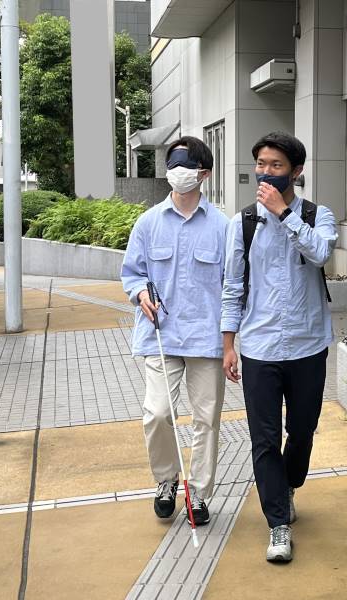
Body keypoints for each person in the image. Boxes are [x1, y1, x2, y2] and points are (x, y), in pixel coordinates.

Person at [221, 131, 338, 563]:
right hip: (260, 346)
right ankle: (277, 524)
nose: (266, 172)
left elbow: (320, 253)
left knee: (302, 430)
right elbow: (232, 286)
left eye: (276, 165)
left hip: (308, 344)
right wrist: (228, 344)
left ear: (296, 171)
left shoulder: (317, 215)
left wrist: (284, 213)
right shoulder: (243, 222)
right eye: (261, 164)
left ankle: (289, 485)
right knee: (264, 439)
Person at [121, 136, 229, 527]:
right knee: (157, 413)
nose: (178, 173)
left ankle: (198, 493)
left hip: (206, 339)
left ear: (204, 174)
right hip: (160, 335)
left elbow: (234, 286)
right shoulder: (148, 223)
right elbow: (132, 273)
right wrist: (139, 294)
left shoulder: (222, 226)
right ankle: (166, 480)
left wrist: (232, 342)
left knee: (207, 420)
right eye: (173, 166)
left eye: (186, 166)